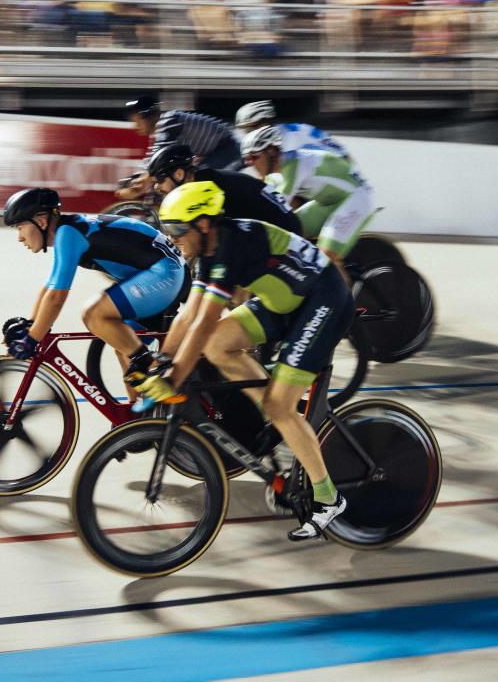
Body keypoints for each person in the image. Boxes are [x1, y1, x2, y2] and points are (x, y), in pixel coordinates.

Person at [133, 182, 352, 541]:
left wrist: (173, 378)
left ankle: (327, 498)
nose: (172, 239)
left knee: (279, 404)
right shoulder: (209, 252)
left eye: (176, 230)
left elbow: (203, 322)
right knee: (220, 345)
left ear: (204, 224)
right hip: (285, 302)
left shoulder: (231, 245)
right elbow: (189, 315)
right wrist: (163, 360)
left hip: (323, 300)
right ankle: (279, 415)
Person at [0, 187, 186, 402]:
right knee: (124, 344)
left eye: (20, 227)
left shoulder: (67, 235)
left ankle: (153, 366)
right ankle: (142, 423)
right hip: (164, 274)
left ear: (41, 221)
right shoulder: (68, 230)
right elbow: (50, 287)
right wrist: (31, 324)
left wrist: (32, 339)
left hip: (164, 275)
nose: (20, 238)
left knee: (94, 313)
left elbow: (57, 298)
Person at [240, 124, 374, 272]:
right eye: (247, 159)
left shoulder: (293, 164)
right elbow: (262, 203)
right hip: (327, 203)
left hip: (355, 199)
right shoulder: (273, 175)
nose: (250, 163)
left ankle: (341, 294)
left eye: (254, 156)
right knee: (289, 233)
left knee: (325, 261)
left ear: (271, 151)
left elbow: (277, 205)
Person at [146, 142, 302, 235]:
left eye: (160, 179)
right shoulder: (203, 180)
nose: (156, 187)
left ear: (179, 174)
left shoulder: (206, 188)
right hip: (276, 225)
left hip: (285, 231)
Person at [116, 95, 243, 201]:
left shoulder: (168, 122)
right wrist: (137, 178)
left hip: (227, 149)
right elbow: (152, 158)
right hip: (214, 151)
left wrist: (138, 185)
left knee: (199, 182)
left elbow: (157, 159)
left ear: (151, 116)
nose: (135, 126)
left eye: (137, 121)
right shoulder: (161, 128)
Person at [234, 99, 350, 158]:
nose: (246, 135)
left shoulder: (286, 139)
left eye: (248, 130)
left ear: (263, 124)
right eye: (244, 130)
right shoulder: (283, 132)